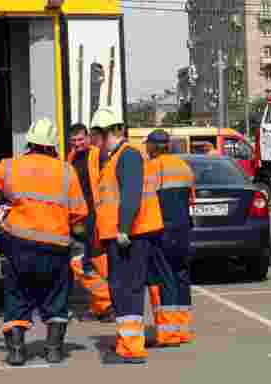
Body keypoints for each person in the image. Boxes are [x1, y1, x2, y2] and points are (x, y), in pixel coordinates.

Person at [0, 118, 87, 366]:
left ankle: (16, 351)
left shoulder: (10, 166)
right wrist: (77, 232)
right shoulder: (66, 171)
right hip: (56, 245)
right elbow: (78, 212)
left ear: (29, 142)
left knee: (17, 295)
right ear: (53, 146)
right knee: (56, 296)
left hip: (20, 243)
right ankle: (54, 350)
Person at [90, 107, 164, 365]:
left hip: (129, 236)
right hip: (121, 235)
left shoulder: (128, 156)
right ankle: (127, 344)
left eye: (95, 136)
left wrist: (123, 228)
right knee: (121, 289)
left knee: (128, 290)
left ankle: (132, 348)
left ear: (105, 133)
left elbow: (131, 194)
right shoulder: (116, 157)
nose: (95, 142)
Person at [144, 129, 196, 346]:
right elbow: (191, 200)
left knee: (165, 279)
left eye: (147, 145)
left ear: (153, 146)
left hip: (162, 231)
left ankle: (169, 334)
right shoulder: (184, 167)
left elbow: (146, 201)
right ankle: (182, 330)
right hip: (183, 231)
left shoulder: (152, 167)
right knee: (181, 276)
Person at [66, 123, 113, 321]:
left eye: (80, 140)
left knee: (95, 261)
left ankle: (108, 303)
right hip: (79, 217)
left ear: (87, 138)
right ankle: (102, 306)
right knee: (87, 262)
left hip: (96, 215)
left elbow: (109, 182)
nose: (77, 144)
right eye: (74, 141)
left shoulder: (98, 154)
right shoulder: (71, 157)